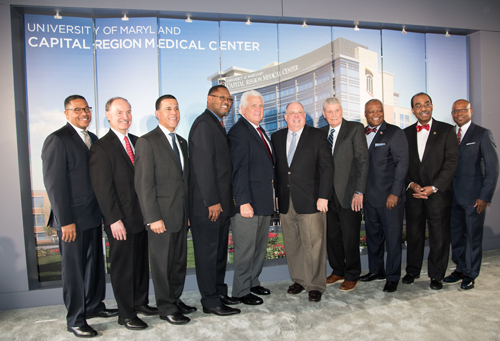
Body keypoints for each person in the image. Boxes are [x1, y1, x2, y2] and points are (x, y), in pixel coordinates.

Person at [41, 95, 117, 338]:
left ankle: (94, 306)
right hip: (72, 220)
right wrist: (65, 221)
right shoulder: (57, 139)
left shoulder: (92, 139)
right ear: (66, 113)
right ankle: (75, 319)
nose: (83, 113)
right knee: (74, 271)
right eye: (77, 110)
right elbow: (54, 185)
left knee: (95, 267)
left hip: (94, 216)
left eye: (86, 109)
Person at [89, 97, 157, 331]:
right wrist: (113, 220)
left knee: (139, 265)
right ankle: (126, 314)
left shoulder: (139, 142)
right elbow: (102, 188)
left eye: (128, 112)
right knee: (123, 268)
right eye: (119, 112)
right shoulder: (101, 147)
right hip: (120, 220)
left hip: (141, 218)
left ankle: (140, 303)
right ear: (108, 115)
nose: (125, 117)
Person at [134, 95, 196, 325]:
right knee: (162, 264)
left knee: (178, 263)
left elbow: (184, 182)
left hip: (179, 215)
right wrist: (152, 218)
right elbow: (143, 184)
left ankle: (175, 299)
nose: (174, 112)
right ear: (157, 114)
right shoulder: (147, 142)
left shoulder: (181, 141)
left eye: (177, 108)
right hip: (160, 217)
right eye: (168, 108)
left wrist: (187, 213)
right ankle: (166, 308)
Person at [271, 102, 333, 303]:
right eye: (292, 113)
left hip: (312, 201)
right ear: (285, 117)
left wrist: (324, 196)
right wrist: (278, 197)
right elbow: (279, 170)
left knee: (313, 245)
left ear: (304, 116)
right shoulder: (277, 137)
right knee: (293, 244)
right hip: (286, 203)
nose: (296, 116)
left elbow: (327, 168)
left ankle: (315, 284)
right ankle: (298, 279)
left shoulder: (317, 136)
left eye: (299, 113)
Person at [189, 85, 239, 316]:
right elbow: (202, 167)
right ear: (209, 99)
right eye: (222, 98)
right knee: (208, 255)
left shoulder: (216, 124)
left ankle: (218, 292)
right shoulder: (203, 124)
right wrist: (211, 201)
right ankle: (210, 302)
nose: (226, 102)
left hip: (221, 205)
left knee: (219, 253)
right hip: (208, 206)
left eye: (229, 99)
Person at [403, 92, 458, 290]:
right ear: (413, 110)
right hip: (414, 195)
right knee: (414, 235)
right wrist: (411, 184)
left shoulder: (447, 130)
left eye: (426, 104)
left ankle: (436, 275)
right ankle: (412, 271)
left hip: (438, 195)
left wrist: (433, 187)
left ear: (432, 106)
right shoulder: (406, 133)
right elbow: (403, 165)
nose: (423, 108)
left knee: (439, 236)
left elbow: (451, 163)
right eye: (418, 105)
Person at [444, 99, 499, 290]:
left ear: (471, 111)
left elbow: (493, 169)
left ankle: (471, 273)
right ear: (452, 114)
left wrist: (485, 196)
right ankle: (460, 268)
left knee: (473, 238)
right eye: (455, 111)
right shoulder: (451, 134)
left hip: (474, 198)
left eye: (463, 110)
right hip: (453, 197)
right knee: (457, 236)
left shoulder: (483, 134)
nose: (459, 114)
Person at [228, 90, 275, 305]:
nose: (258, 109)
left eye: (261, 106)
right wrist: (243, 202)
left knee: (258, 248)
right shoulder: (239, 132)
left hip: (263, 201)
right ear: (242, 109)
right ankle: (240, 290)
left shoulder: (259, 131)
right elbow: (238, 170)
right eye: (253, 106)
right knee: (246, 249)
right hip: (249, 203)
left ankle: (253, 282)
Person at [360, 99, 409, 292]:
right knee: (373, 237)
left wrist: (395, 194)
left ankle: (393, 276)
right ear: (366, 114)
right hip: (369, 199)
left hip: (390, 199)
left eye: (378, 111)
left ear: (383, 112)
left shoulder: (395, 133)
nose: (375, 114)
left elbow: (402, 165)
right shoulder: (362, 134)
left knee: (393, 238)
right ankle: (376, 270)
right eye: (371, 112)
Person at [320, 97, 368, 292]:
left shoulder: (355, 129)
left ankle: (352, 274)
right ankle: (338, 270)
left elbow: (363, 161)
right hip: (327, 195)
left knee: (350, 236)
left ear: (341, 111)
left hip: (349, 194)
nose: (333, 115)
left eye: (336, 111)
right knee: (332, 236)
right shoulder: (321, 133)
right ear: (324, 114)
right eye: (329, 112)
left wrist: (359, 191)